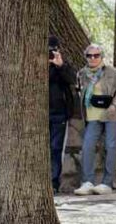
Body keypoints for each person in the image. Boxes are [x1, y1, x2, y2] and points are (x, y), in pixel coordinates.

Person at [74, 44, 116, 196]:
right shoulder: (82, 74)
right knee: (87, 146)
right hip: (92, 116)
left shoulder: (112, 72)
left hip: (111, 114)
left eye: (96, 55)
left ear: (101, 57)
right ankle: (87, 182)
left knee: (110, 146)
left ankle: (107, 183)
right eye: (89, 56)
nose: (93, 58)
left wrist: (115, 106)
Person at [48, 36, 76, 193]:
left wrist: (60, 66)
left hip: (59, 114)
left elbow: (72, 79)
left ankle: (53, 182)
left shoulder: (62, 65)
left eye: (53, 50)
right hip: (39, 114)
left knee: (56, 148)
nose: (50, 54)